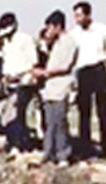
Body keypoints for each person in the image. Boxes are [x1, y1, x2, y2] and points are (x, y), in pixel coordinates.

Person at [70, 1, 106, 159]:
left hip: (98, 68)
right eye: (75, 16)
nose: (77, 19)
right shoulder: (74, 34)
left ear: (88, 15)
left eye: (80, 15)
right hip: (83, 71)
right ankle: (85, 147)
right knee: (84, 111)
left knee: (103, 110)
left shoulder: (101, 30)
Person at [34, 10, 79, 164]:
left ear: (58, 26)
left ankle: (63, 154)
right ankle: (49, 152)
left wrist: (45, 72)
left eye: (50, 28)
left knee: (60, 122)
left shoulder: (69, 42)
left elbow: (65, 66)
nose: (49, 31)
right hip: (50, 89)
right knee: (50, 122)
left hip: (61, 86)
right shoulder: (55, 44)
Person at [0, 13, 39, 152]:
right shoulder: (6, 43)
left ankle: (20, 144)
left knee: (19, 113)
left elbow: (33, 63)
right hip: (9, 83)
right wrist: (6, 77)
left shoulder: (25, 39)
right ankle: (10, 139)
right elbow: (8, 63)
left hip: (24, 83)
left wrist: (19, 75)